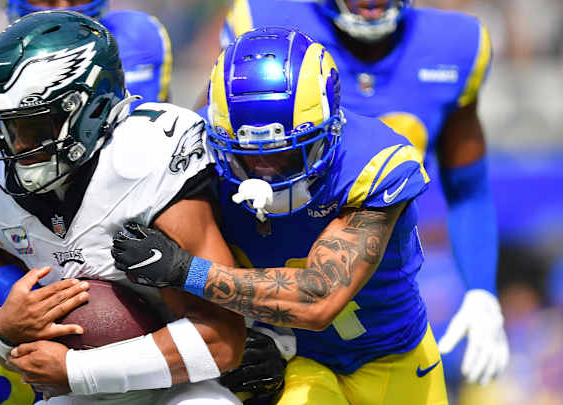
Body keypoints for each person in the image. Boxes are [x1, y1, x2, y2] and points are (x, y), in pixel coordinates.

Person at [0, 11, 244, 405]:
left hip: (177, 382)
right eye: (6, 129)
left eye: (32, 127)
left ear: (88, 111)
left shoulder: (147, 162)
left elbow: (222, 340)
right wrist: (8, 311)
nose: (16, 148)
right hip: (69, 388)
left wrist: (76, 370)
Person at [112, 27, 448, 404]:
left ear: (331, 130)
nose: (265, 170)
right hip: (292, 361)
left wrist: (184, 270)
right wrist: (257, 339)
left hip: (391, 355)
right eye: (246, 153)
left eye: (285, 151)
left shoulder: (372, 164)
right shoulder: (194, 151)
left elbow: (318, 297)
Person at [214, 0, 508, 388]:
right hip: (272, 260)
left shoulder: (454, 45)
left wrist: (482, 291)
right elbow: (212, 146)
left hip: (380, 273)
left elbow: (468, 189)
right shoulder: (264, 27)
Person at [0, 0, 173, 338]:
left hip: (128, 304)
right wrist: (20, 297)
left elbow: (166, 172)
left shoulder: (140, 41)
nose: (64, 5)